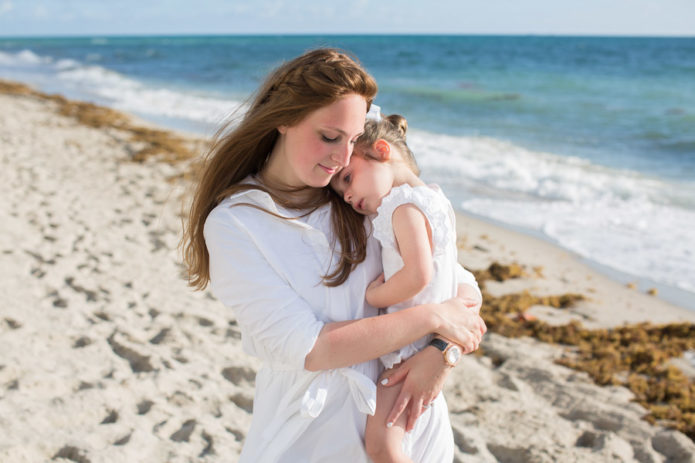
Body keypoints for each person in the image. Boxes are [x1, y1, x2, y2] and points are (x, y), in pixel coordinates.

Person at [181, 48, 486, 462]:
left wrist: (441, 355)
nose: (342, 158)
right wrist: (432, 321)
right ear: (283, 119)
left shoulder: (364, 199)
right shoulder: (236, 223)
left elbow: (459, 285)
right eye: (328, 137)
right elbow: (310, 348)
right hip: (314, 440)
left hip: (410, 424)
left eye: (352, 140)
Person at [331, 111, 478, 462]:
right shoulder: (436, 198)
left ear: (382, 150)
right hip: (427, 340)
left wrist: (374, 295)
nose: (349, 196)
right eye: (342, 192)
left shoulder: (402, 206)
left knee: (383, 444)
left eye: (348, 178)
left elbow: (418, 276)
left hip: (408, 346)